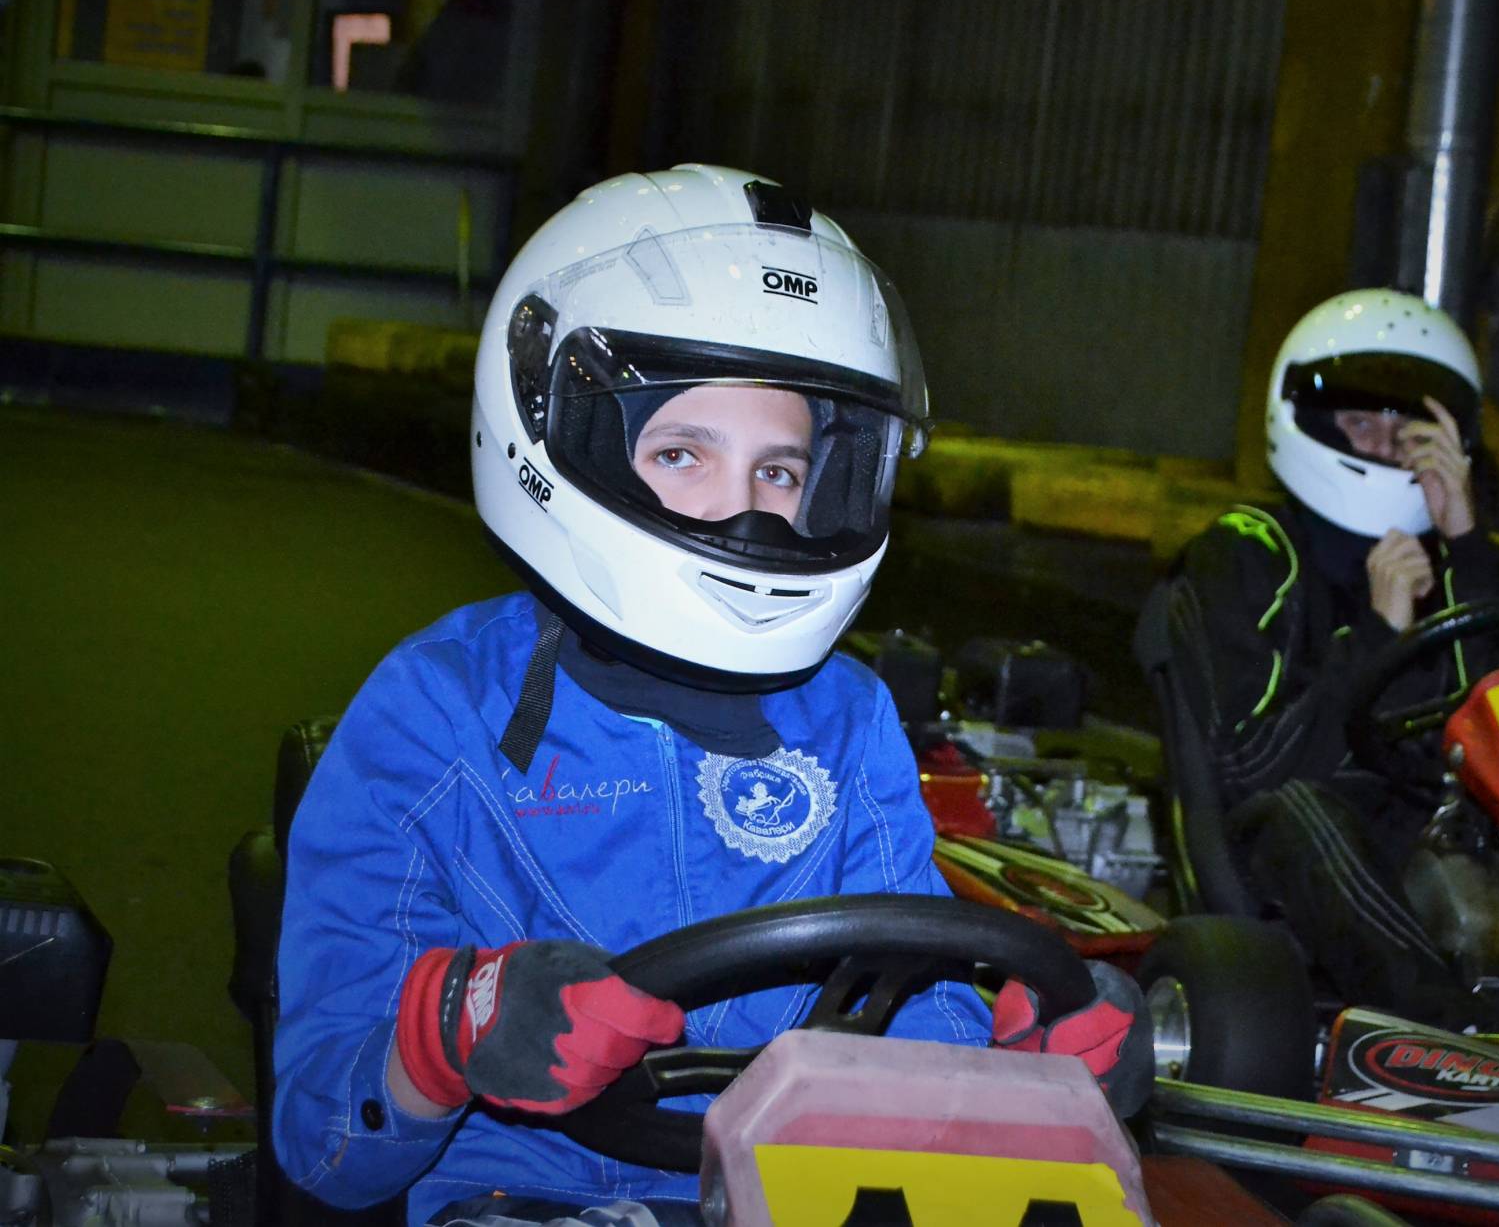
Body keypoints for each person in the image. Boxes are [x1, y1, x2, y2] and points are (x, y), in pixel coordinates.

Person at [272, 166, 1142, 1225]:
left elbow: (913, 1016)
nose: (747, 516)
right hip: (523, 1202)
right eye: (684, 454)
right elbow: (324, 1146)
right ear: (563, 434)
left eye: (780, 471)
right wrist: (450, 1028)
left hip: (802, 1195)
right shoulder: (437, 712)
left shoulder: (847, 718)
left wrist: (1026, 1066)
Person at [1143, 288, 1499, 1027]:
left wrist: (1467, 544)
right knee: (1303, 811)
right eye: (1362, 424)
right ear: (1313, 423)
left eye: (1406, 431)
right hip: (1290, 862)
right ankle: (1457, 1031)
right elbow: (1255, 767)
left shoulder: (1456, 567)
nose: (1387, 447)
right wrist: (1378, 630)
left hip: (1430, 837)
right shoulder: (1248, 549)